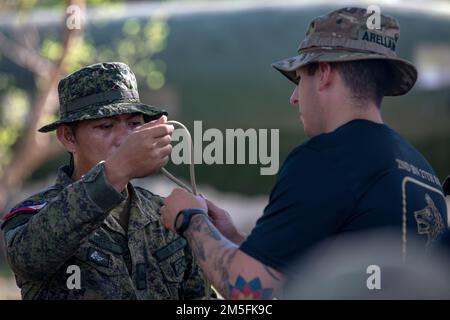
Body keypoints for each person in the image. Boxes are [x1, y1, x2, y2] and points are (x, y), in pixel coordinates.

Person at [160, 7, 449, 299]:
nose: (294, 97)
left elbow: (248, 291)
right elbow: (318, 277)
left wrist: (190, 219)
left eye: (299, 79)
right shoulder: (421, 171)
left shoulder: (326, 158)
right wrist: (231, 239)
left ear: (323, 73)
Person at [1, 62, 213, 300]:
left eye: (134, 124)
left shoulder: (167, 214)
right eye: (105, 126)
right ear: (69, 137)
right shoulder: (34, 213)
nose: (125, 138)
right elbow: (28, 259)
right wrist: (116, 171)